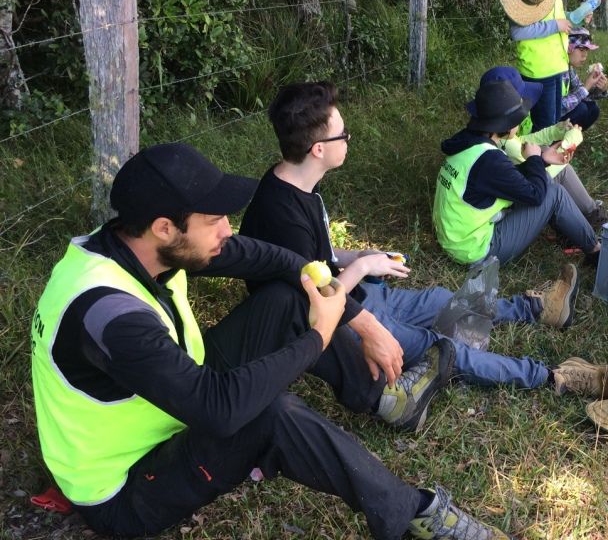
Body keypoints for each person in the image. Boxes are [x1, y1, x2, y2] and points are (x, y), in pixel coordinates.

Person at [29, 142, 511, 539]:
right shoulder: (110, 316)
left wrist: (358, 318)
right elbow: (219, 410)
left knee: (287, 297)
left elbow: (277, 260)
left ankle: (390, 399)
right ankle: (411, 513)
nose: (227, 230)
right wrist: (320, 334)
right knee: (269, 415)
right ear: (165, 228)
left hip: (171, 400)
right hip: (126, 489)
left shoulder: (137, 244)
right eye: (213, 220)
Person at [241, 82, 608, 397]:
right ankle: (552, 377)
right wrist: (363, 266)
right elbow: (314, 306)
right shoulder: (282, 214)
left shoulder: (296, 184)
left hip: (360, 296)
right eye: (343, 133)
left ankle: (537, 309)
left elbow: (314, 259)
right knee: (444, 349)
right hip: (339, 324)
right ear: (318, 149)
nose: (349, 138)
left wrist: (356, 255)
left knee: (443, 300)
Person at [434, 79, 602, 268]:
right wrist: (534, 159)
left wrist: (543, 160)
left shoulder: (469, 144)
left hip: (455, 238)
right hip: (474, 250)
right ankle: (596, 252)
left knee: (546, 180)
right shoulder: (490, 159)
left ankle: (572, 234)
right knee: (554, 194)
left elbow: (508, 179)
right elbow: (536, 196)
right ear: (505, 125)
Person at [471, 66, 608, 229]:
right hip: (515, 200)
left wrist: (554, 131)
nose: (525, 102)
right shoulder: (506, 145)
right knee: (562, 170)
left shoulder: (492, 133)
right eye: (520, 99)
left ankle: (585, 213)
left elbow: (522, 141)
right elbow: (537, 171)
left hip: (511, 185)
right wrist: (569, 142)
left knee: (545, 151)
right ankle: (591, 214)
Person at [498, 0, 572, 131]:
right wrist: (556, 25)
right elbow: (518, 32)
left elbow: (556, 18)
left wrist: (575, 17)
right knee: (545, 128)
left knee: (554, 123)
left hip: (556, 64)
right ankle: (535, 149)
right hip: (538, 70)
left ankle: (547, 149)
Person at [560, 27, 607, 131]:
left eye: (586, 50)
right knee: (582, 109)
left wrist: (600, 89)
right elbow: (556, 108)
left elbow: (580, 92)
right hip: (547, 120)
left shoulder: (568, 68)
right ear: (568, 47)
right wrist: (586, 87)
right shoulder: (557, 69)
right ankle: (556, 139)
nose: (585, 55)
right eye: (581, 50)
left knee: (593, 109)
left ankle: (572, 137)